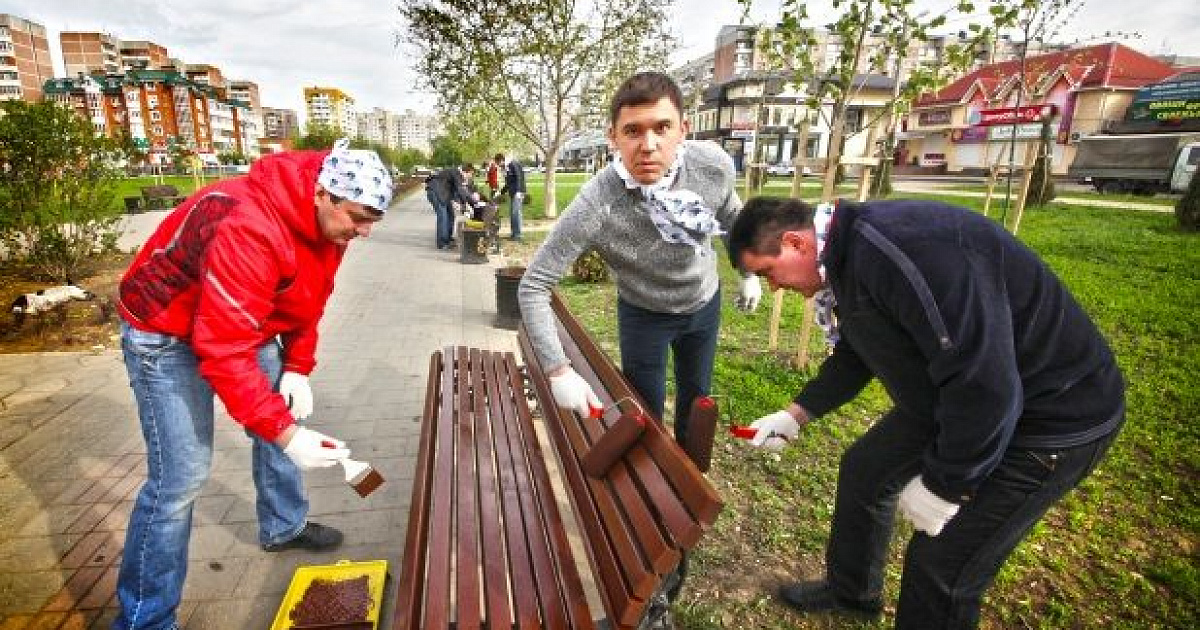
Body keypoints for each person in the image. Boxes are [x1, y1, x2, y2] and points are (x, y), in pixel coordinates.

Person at [727, 196, 1126, 629]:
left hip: (1051, 416)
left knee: (942, 564)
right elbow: (858, 349)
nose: (773, 287)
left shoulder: (900, 254)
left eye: (767, 272)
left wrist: (945, 485)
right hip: (953, 400)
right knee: (866, 470)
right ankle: (852, 592)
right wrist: (796, 414)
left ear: (795, 243)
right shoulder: (843, 256)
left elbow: (987, 388)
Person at [112, 139, 393, 630]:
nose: (365, 231)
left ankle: (284, 526)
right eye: (359, 218)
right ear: (323, 194)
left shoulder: (330, 223)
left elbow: (310, 297)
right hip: (163, 329)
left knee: (282, 414)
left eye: (374, 220)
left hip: (240, 317)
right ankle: (145, 619)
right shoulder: (249, 226)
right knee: (181, 478)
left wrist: (297, 366)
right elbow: (223, 349)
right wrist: (285, 434)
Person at [518, 71, 763, 617]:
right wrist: (558, 370)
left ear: (683, 129)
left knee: (696, 404)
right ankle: (657, 530)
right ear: (613, 136)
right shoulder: (597, 202)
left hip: (703, 304)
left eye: (661, 127)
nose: (647, 144)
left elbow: (733, 217)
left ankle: (688, 499)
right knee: (645, 422)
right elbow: (534, 284)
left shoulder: (712, 166)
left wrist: (748, 271)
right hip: (644, 315)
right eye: (632, 131)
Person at [426, 163, 478, 249]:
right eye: (471, 174)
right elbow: (460, 190)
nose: (470, 177)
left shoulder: (457, 174)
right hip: (435, 192)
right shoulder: (456, 173)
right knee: (443, 216)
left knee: (451, 214)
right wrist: (473, 202)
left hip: (443, 194)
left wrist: (464, 204)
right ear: (467, 171)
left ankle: (448, 239)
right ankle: (442, 243)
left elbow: (457, 193)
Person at [496, 152, 527, 241]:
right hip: (513, 193)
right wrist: (501, 192)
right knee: (513, 214)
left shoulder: (513, 164)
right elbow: (508, 183)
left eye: (498, 163)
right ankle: (514, 234)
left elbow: (519, 177)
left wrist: (518, 191)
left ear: (501, 160)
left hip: (518, 193)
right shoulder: (506, 167)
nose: (498, 166)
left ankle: (518, 235)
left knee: (516, 213)